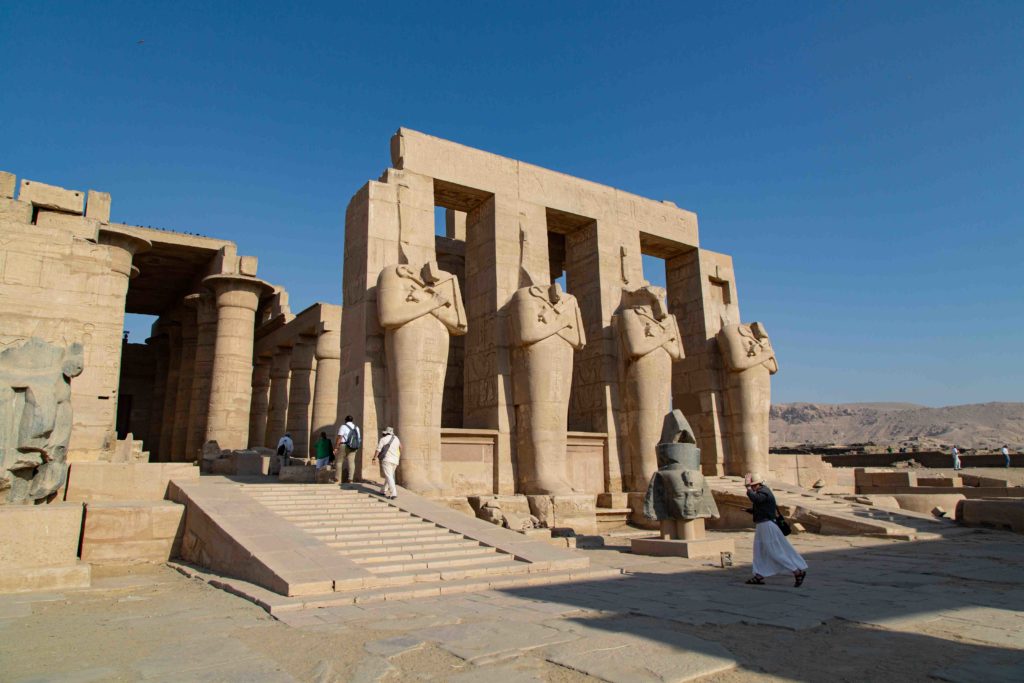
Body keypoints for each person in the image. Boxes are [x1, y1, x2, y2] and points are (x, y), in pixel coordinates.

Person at [744, 472, 807, 587]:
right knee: (760, 551)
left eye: (753, 485)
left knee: (775, 551)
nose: (752, 487)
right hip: (762, 525)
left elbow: (756, 499)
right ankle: (759, 575)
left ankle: (797, 572)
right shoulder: (761, 492)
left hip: (767, 525)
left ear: (758, 484)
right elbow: (762, 506)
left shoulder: (764, 492)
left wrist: (747, 486)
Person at [372, 427, 401, 500]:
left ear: (386, 433)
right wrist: (397, 455)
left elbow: (378, 449)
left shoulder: (383, 439)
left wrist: (374, 458)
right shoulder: (396, 438)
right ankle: (383, 490)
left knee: (389, 476)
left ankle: (394, 493)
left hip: (387, 460)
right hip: (395, 460)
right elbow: (401, 447)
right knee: (389, 475)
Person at [335, 415, 362, 484]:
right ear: (352, 420)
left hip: (344, 445)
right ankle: (350, 479)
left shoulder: (343, 426)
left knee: (339, 461)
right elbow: (359, 438)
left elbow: (340, 437)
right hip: (353, 446)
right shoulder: (357, 428)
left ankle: (338, 479)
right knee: (351, 462)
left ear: (345, 420)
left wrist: (336, 447)